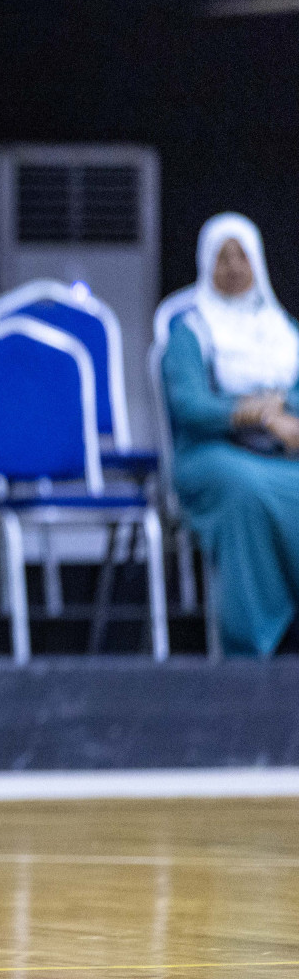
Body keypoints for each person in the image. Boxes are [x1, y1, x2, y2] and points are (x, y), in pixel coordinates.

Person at [163, 212, 299, 657]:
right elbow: (190, 407)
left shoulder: (283, 331)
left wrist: (283, 417)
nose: (235, 266)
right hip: (210, 454)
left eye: (243, 255)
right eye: (223, 256)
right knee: (247, 489)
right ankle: (253, 641)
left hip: (280, 452)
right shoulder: (190, 330)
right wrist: (252, 412)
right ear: (206, 263)